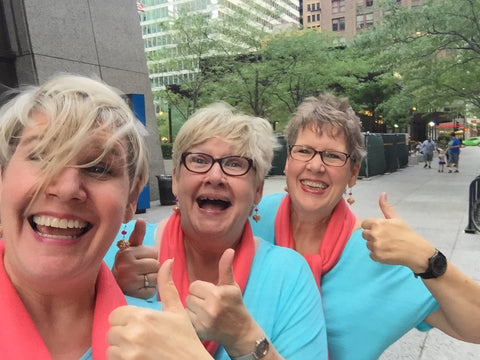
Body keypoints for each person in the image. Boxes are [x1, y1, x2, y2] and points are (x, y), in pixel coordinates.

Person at [114, 94, 480, 359]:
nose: (316, 166)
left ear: (354, 173)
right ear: (287, 163)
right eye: (304, 151)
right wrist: (126, 278)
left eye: (334, 156)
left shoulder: (380, 253)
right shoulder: (252, 215)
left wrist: (428, 260)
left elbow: (474, 327)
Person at [108, 103, 328, 360]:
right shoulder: (116, 249)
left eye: (235, 164)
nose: (214, 176)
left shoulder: (289, 275)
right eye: (199, 160)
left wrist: (243, 335)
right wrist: (110, 288)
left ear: (257, 190)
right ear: (176, 180)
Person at [0, 74, 151, 359]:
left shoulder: (163, 342)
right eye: (43, 156)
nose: (67, 189)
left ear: (132, 198)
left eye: (98, 167)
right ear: (2, 177)